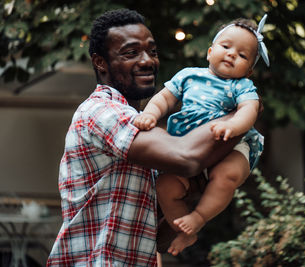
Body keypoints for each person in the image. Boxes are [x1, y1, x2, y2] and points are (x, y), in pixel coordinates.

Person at [46, 9, 241, 266]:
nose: (147, 60)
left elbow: (157, 238)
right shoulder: (102, 112)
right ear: (100, 62)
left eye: (152, 51)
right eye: (131, 53)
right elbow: (187, 157)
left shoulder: (141, 128)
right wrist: (239, 115)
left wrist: (192, 199)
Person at [134, 15, 270, 256]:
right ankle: (184, 232)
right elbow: (164, 98)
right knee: (165, 186)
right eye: (226, 47)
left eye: (242, 55)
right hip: (186, 145)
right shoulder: (188, 75)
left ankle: (199, 217)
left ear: (248, 71)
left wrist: (234, 127)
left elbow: (249, 109)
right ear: (209, 52)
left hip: (229, 146)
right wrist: (150, 114)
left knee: (227, 174)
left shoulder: (241, 86)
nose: (231, 55)